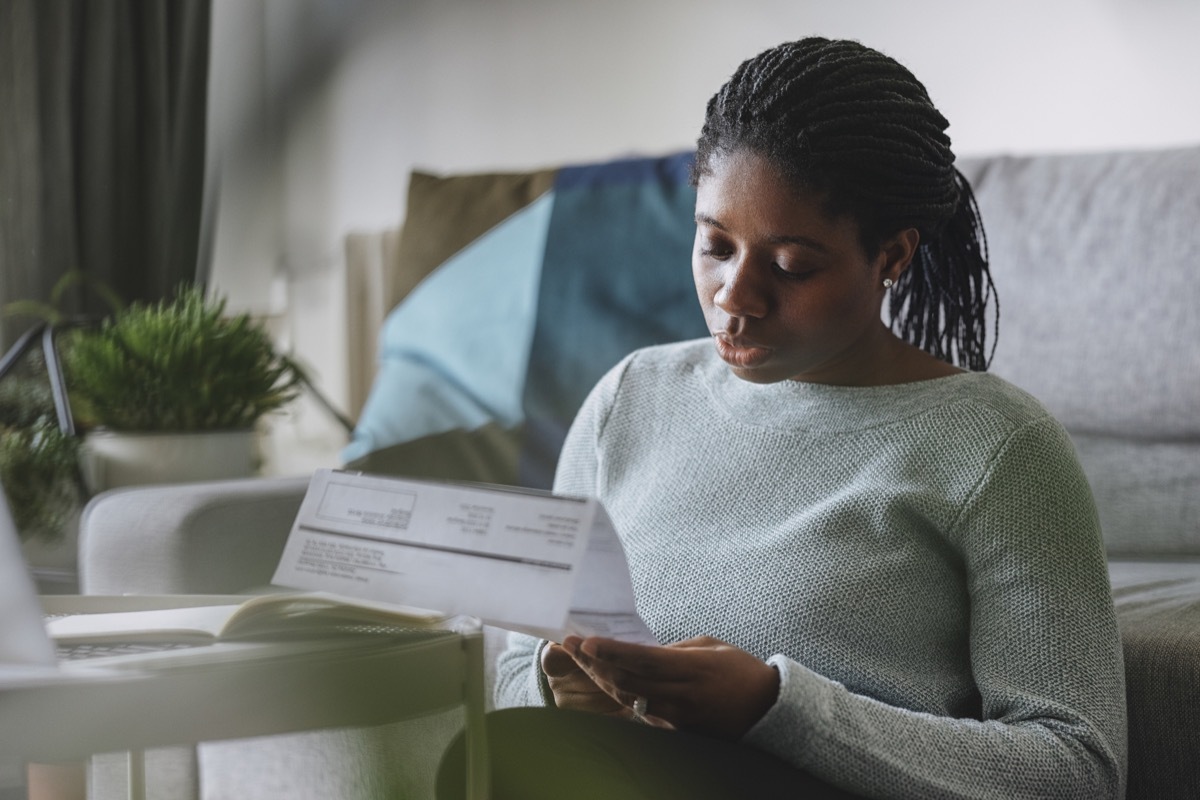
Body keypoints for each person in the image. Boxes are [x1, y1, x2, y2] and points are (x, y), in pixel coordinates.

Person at [438, 37, 1126, 799]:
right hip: (610, 770)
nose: (735, 296)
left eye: (792, 265)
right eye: (714, 247)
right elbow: (512, 664)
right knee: (490, 752)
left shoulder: (999, 449)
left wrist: (772, 708)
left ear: (892, 256)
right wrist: (555, 682)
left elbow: (1077, 769)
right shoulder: (629, 397)